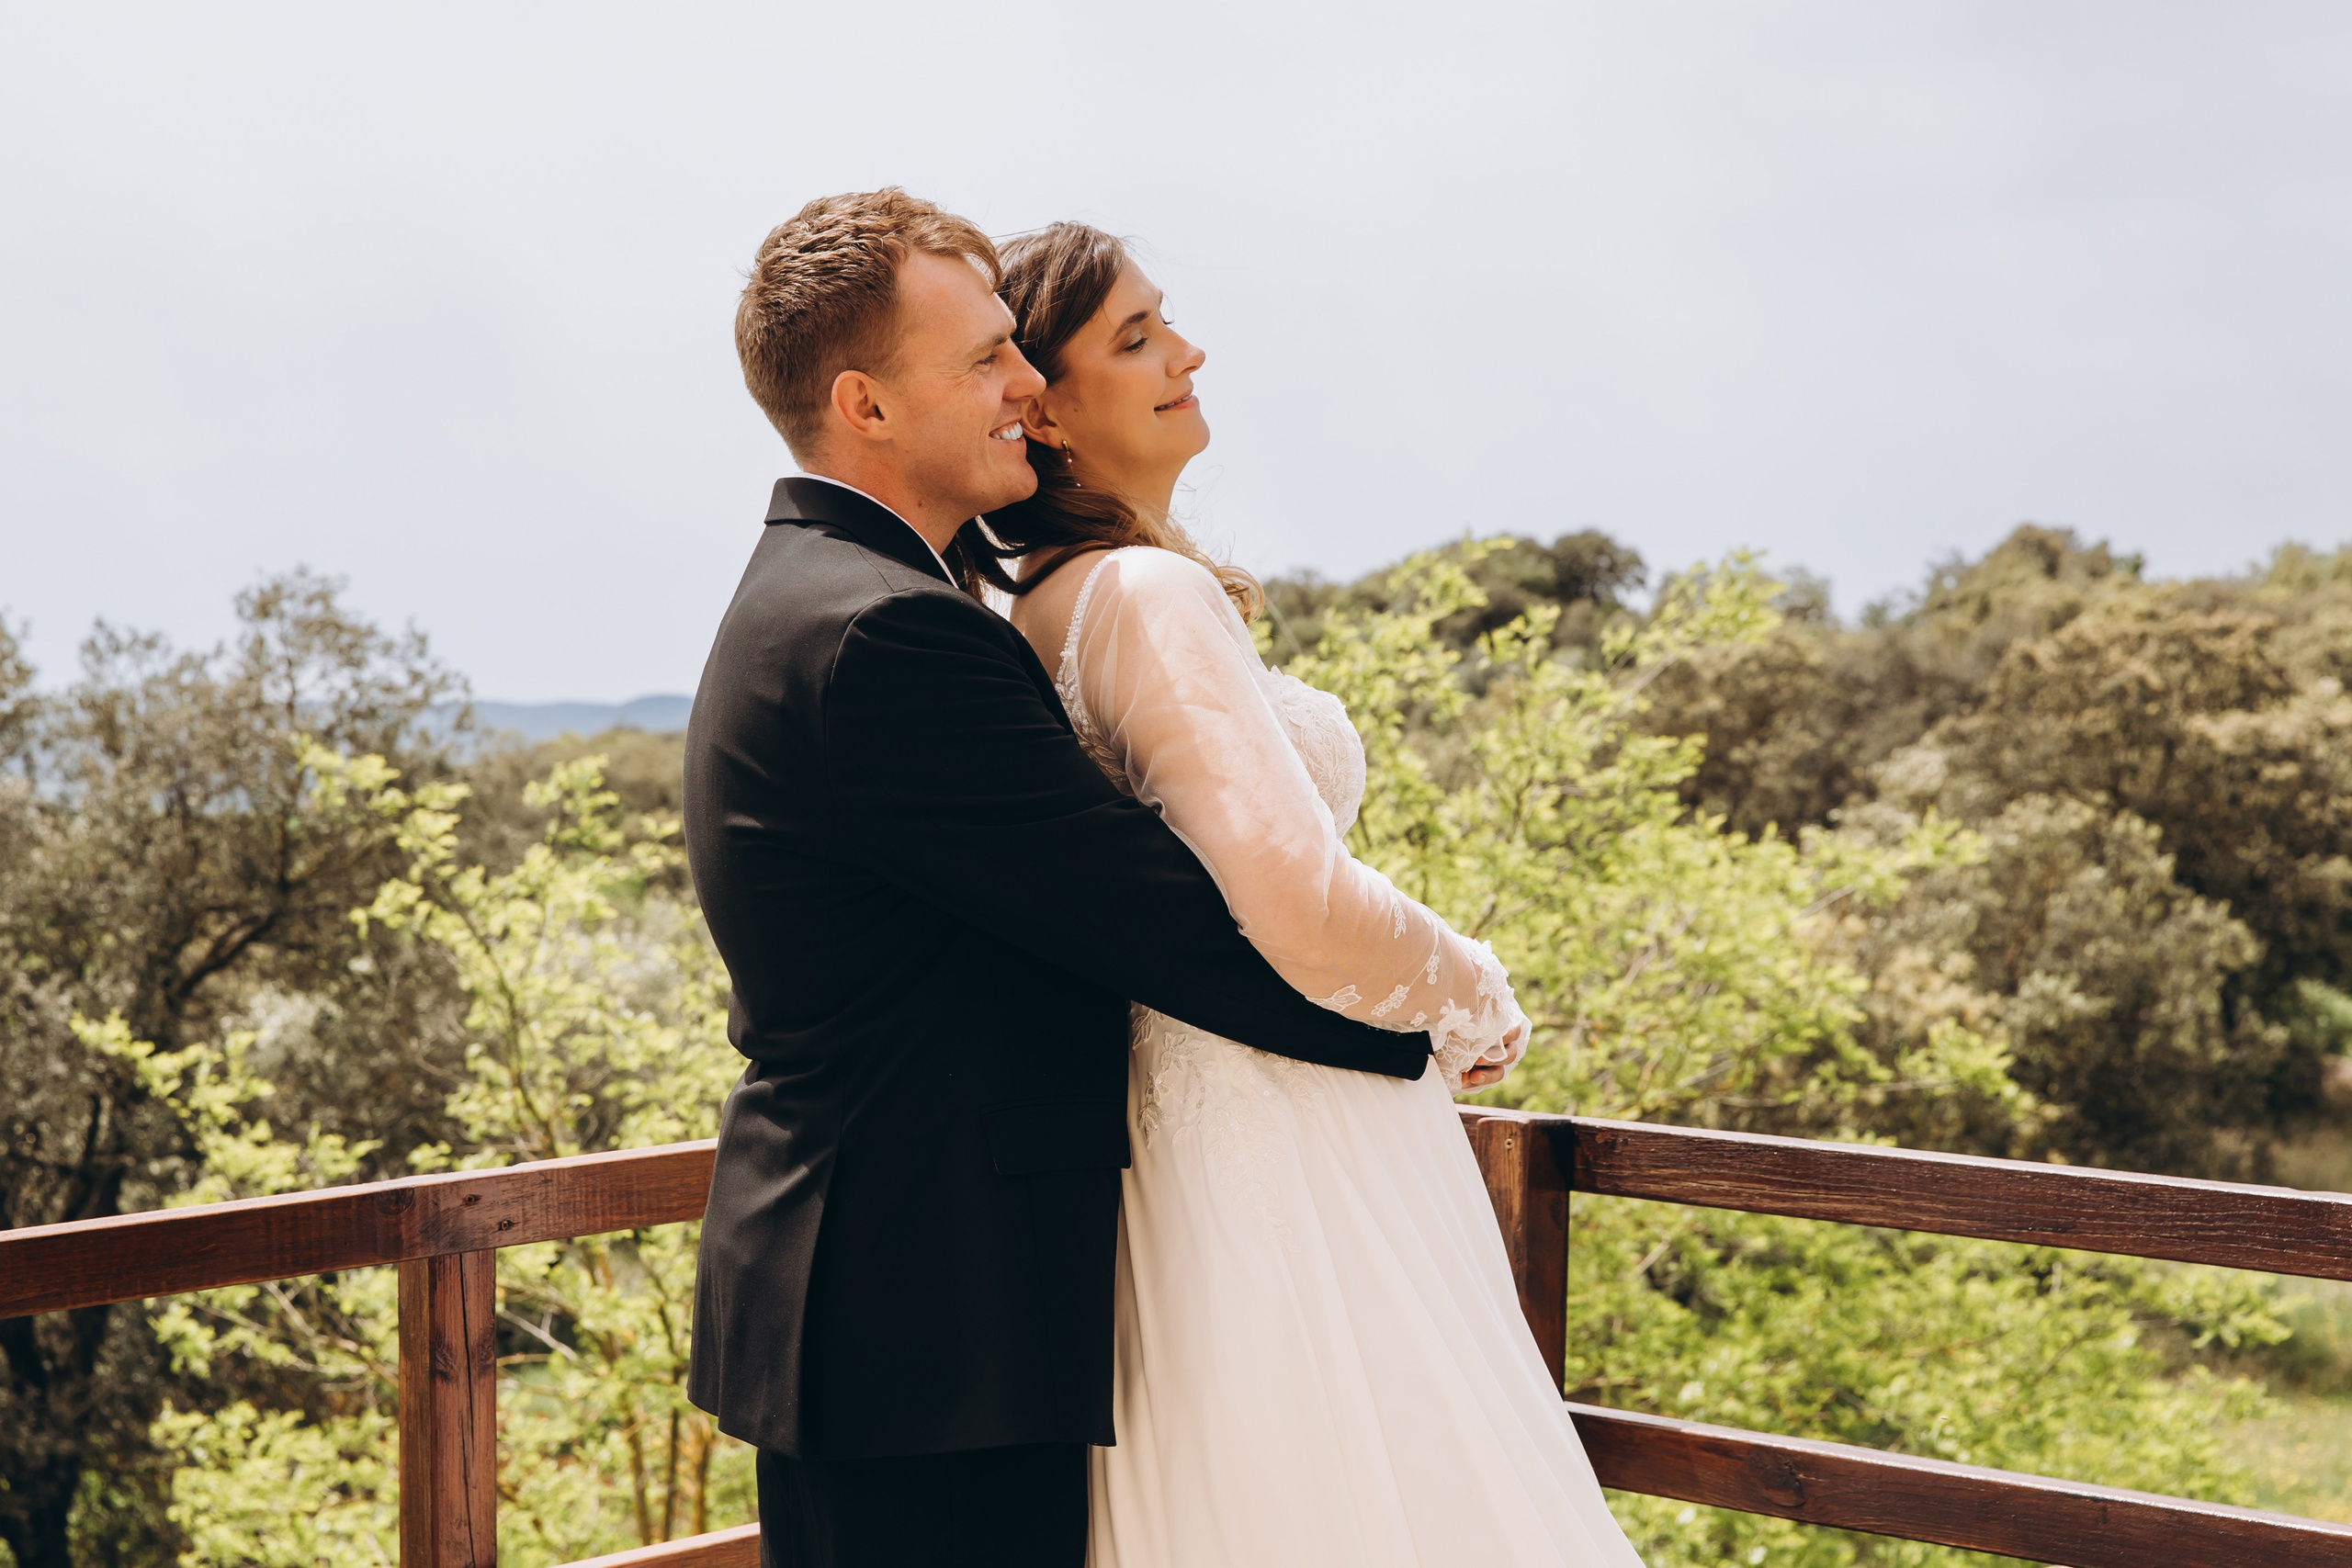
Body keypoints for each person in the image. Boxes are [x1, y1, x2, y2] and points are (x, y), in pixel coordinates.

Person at [681, 190, 1482, 1568]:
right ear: (865, 405)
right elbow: (1156, 917)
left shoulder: (827, 591)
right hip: (926, 1310)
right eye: (987, 358)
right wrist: (1431, 1024)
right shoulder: (887, 635)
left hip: (880, 1299)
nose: (1025, 384)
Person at [969, 222, 1647, 1567]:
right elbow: (1291, 897)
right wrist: (1469, 992)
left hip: (1160, 1157)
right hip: (1285, 1137)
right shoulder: (1145, 595)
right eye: (1138, 335)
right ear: (1044, 411)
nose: (1188, 350)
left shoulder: (1031, 608)